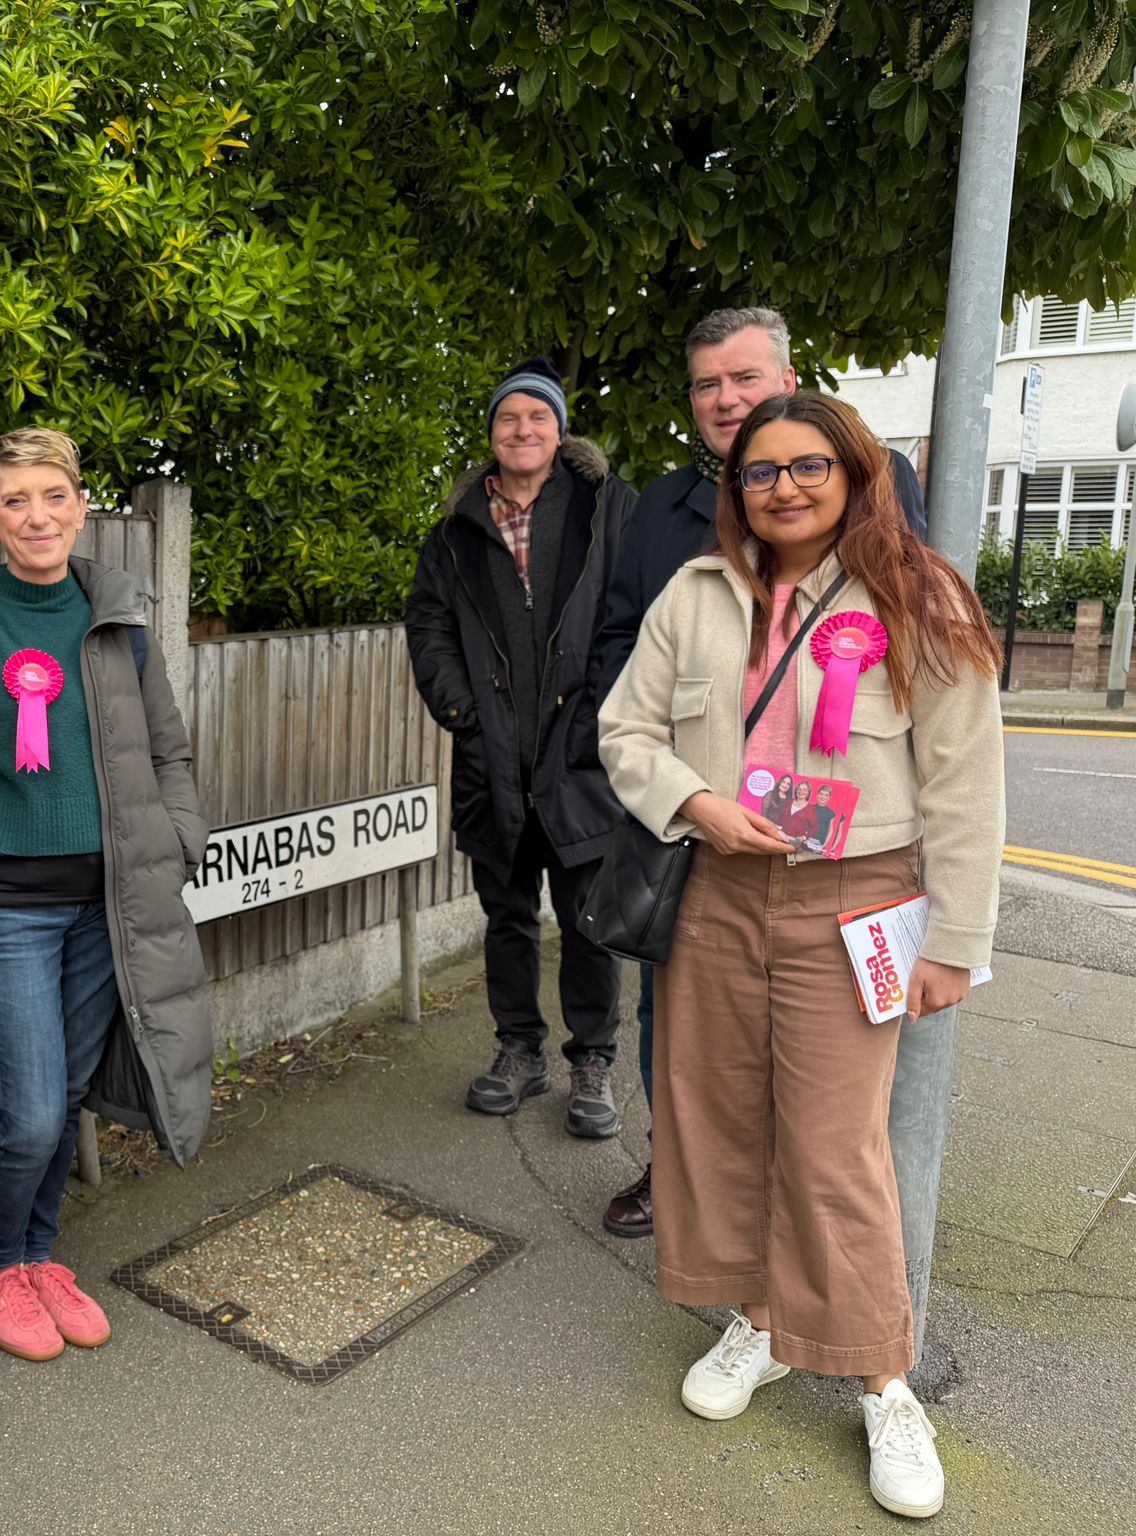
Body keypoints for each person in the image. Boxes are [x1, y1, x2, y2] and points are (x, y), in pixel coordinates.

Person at [598, 390, 1002, 1521]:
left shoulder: (920, 597)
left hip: (856, 900)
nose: (782, 486)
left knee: (833, 1146)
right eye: (759, 470)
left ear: (854, 471)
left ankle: (882, 1378)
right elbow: (622, 732)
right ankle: (764, 1324)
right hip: (719, 888)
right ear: (736, 489)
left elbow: (965, 789)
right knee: (716, 1116)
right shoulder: (693, 598)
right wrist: (693, 803)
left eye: (806, 465)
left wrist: (954, 943)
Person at [590, 306, 931, 1241]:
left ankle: (815, 1217)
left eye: (744, 377)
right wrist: (673, 780)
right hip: (701, 838)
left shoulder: (875, 479)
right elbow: (620, 650)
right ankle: (681, 1168)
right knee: (687, 1039)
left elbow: (911, 646)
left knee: (830, 1077)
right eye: (707, 384)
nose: (726, 397)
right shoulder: (658, 508)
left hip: (841, 849)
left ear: (785, 376)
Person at [0, 428, 211, 1363]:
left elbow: (166, 748)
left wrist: (178, 843)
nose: (37, 515)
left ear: (81, 505)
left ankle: (39, 1255)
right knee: (34, 1108)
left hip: (109, 905)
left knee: (72, 1092)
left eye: (53, 495)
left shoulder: (117, 616)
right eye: (15, 500)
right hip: (3, 904)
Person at [405, 357, 633, 1139]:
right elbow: (428, 625)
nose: (523, 429)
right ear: (493, 435)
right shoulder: (457, 528)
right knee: (505, 916)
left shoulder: (607, 510)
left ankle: (592, 1062)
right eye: (509, 419)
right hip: (492, 757)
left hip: (583, 753)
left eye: (537, 416)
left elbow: (633, 617)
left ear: (560, 431)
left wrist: (604, 713)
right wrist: (461, 708)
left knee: (589, 920)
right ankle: (519, 1050)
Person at [780, 779, 818, 844]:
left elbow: (815, 827)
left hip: (795, 841)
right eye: (799, 789)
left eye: (804, 790)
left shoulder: (810, 809)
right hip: (781, 837)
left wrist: (804, 837)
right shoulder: (788, 802)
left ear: (809, 792)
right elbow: (780, 817)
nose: (801, 791)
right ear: (796, 790)